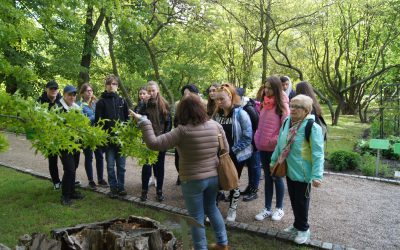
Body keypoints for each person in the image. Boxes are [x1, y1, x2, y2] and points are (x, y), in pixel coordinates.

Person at [131, 94, 229, 250]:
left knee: (195, 217)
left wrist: (144, 122)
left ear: (182, 112)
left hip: (192, 180)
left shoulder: (182, 131)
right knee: (211, 208)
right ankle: (222, 244)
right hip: (214, 177)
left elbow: (154, 143)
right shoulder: (215, 126)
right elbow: (226, 150)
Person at [272, 94, 324, 244]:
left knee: (301, 201)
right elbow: (280, 144)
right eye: (291, 105)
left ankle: (303, 229)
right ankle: (297, 225)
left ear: (307, 110)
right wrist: (273, 160)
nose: (292, 109)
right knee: (294, 199)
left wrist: (317, 176)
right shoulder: (287, 121)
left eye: (297, 107)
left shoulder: (312, 127)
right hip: (289, 169)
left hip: (304, 173)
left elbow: (318, 153)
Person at [213, 83, 253, 222]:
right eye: (216, 99)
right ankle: (213, 209)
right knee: (216, 182)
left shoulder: (241, 114)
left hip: (236, 155)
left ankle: (232, 208)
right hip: (219, 154)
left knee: (233, 181)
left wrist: (232, 151)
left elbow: (248, 137)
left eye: (222, 99)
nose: (218, 102)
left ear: (230, 97)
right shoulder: (216, 114)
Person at [254, 76, 290, 222]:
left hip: (274, 149)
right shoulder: (264, 104)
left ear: (276, 88)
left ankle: (279, 208)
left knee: (277, 177)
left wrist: (272, 141)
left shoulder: (283, 107)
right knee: (268, 178)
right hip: (262, 147)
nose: (266, 90)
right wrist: (258, 137)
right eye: (265, 87)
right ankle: (267, 208)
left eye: (269, 87)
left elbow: (286, 130)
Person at [95, 75, 129, 198]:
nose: (111, 86)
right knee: (110, 166)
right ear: (106, 86)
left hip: (121, 140)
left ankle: (121, 187)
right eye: (109, 84)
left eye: (114, 84)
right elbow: (98, 123)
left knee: (121, 166)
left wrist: (126, 136)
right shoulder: (101, 102)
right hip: (108, 141)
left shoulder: (122, 101)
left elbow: (126, 120)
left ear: (117, 86)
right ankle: (113, 188)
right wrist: (103, 139)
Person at [138, 80, 172, 202]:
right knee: (146, 166)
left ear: (157, 91)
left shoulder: (164, 104)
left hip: (160, 140)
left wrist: (165, 137)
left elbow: (169, 123)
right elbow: (137, 117)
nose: (151, 93)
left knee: (159, 167)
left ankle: (159, 192)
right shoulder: (144, 104)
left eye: (153, 90)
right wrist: (143, 103)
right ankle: (144, 192)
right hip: (147, 140)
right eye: (149, 91)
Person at [57, 85, 84, 205]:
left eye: (74, 95)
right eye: (69, 94)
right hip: (64, 144)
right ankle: (65, 196)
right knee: (69, 169)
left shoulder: (76, 108)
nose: (72, 97)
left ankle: (72, 191)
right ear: (64, 95)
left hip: (75, 143)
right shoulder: (58, 108)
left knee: (74, 167)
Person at [77, 83, 108, 189]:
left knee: (99, 156)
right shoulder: (79, 105)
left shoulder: (97, 103)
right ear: (82, 93)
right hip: (86, 135)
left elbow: (103, 116)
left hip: (98, 134)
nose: (90, 92)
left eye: (91, 90)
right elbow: (82, 120)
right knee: (89, 157)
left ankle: (100, 179)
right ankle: (91, 180)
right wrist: (95, 117)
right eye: (87, 91)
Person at [236, 87, 261, 202]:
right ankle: (249, 188)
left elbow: (256, 125)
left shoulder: (248, 108)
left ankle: (254, 191)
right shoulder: (239, 107)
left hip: (253, 143)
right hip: (246, 142)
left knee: (254, 167)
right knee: (250, 167)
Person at [37, 80, 62, 189]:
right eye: (51, 88)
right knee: (53, 160)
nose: (53, 90)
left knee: (68, 160)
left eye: (55, 89)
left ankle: (67, 180)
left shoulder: (62, 100)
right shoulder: (39, 101)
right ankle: (56, 182)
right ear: (46, 89)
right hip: (48, 136)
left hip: (62, 135)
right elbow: (32, 119)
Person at [174, 83, 200, 186]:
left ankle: (190, 180)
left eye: (189, 94)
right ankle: (181, 175)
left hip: (194, 139)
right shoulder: (179, 106)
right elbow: (175, 121)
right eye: (185, 94)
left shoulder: (201, 106)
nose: (187, 96)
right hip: (181, 137)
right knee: (177, 160)